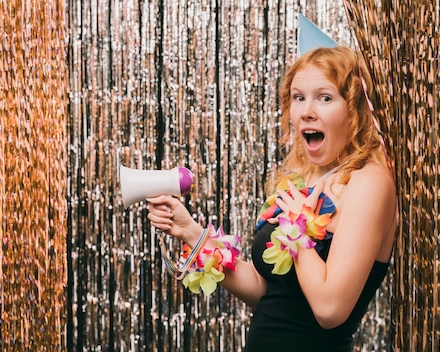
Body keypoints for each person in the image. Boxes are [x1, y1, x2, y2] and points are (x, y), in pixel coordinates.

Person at [146, 45, 397, 351]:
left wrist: (298, 228)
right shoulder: (304, 179)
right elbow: (266, 292)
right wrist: (191, 231)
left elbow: (330, 310)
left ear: (355, 110)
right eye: (298, 97)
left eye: (325, 97)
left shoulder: (369, 183)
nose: (306, 111)